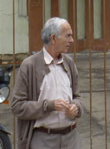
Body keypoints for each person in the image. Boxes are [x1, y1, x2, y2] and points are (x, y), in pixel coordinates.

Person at [11, 17, 82, 148]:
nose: (72, 40)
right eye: (68, 36)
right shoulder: (30, 65)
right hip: (43, 140)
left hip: (71, 139)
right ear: (53, 38)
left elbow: (77, 97)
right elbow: (17, 106)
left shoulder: (69, 63)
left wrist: (76, 107)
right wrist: (48, 106)